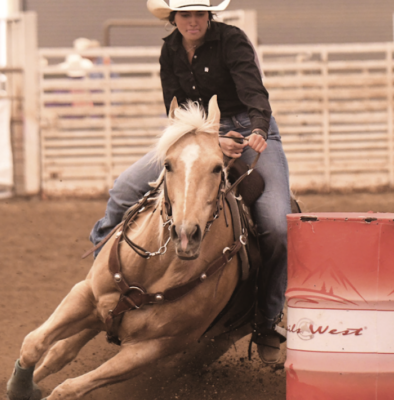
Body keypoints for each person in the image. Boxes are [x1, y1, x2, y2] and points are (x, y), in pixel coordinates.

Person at [90, 0, 291, 364]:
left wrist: (258, 129)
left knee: (276, 226)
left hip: (247, 129)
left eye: (200, 13)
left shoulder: (232, 40)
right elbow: (175, 109)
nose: (193, 21)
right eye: (186, 14)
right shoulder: (169, 50)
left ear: (209, 16)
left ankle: (268, 319)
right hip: (195, 134)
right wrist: (209, 140)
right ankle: (99, 278)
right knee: (123, 190)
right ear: (174, 18)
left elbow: (254, 93)